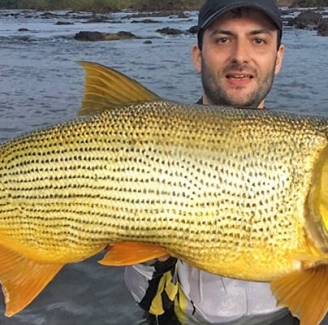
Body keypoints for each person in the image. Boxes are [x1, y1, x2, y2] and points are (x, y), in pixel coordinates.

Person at [123, 1, 298, 324]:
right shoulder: (142, 146)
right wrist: (152, 259)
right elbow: (143, 297)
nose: (240, 56)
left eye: (258, 40)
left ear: (278, 58)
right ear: (198, 56)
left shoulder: (308, 154)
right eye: (223, 39)